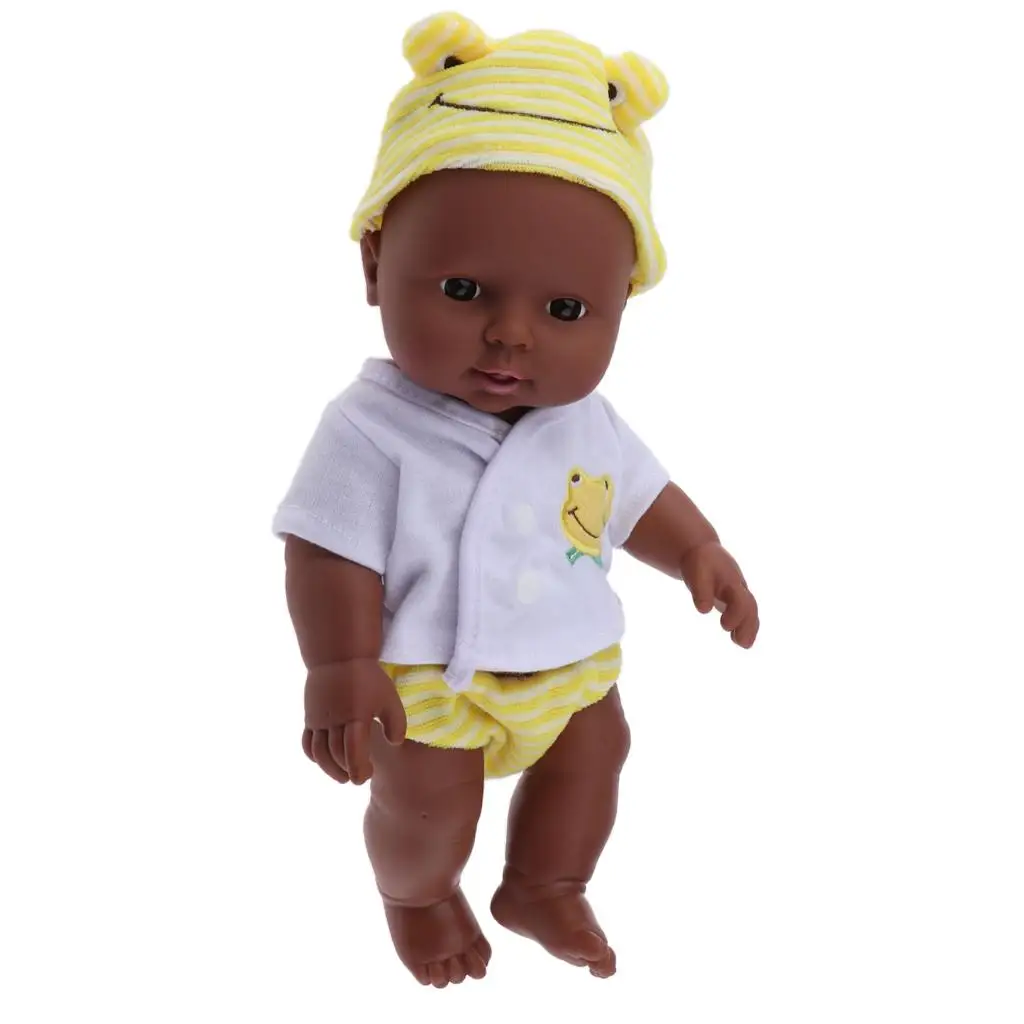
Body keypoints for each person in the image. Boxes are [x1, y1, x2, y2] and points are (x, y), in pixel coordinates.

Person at [272, 11, 759, 988]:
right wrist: (340, 664)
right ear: (374, 265)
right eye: (463, 290)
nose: (510, 334)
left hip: (570, 666)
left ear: (621, 304)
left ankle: (544, 882)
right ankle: (418, 896)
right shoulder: (371, 428)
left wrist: (699, 550)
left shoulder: (586, 422)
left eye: (566, 309)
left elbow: (640, 498)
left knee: (597, 753)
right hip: (427, 684)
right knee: (427, 812)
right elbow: (326, 550)